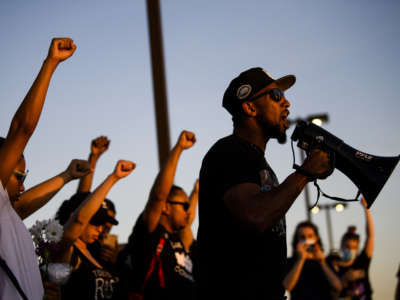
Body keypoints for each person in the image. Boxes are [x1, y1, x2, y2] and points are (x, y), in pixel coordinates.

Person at [197, 67, 331, 300]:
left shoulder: (258, 162)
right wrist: (305, 172)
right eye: (276, 95)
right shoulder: (228, 152)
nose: (286, 103)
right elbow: (256, 215)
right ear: (249, 107)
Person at [0, 37, 78, 300]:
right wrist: (51, 64)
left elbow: (22, 204)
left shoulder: (8, 215)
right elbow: (22, 129)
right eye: (19, 176)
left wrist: (67, 176)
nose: (23, 185)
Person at [118, 130, 197, 300]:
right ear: (166, 208)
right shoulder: (151, 232)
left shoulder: (177, 241)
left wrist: (196, 193)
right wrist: (179, 149)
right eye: (184, 205)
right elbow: (158, 196)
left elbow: (188, 220)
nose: (188, 210)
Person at [55, 160, 135, 300]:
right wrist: (113, 178)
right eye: (95, 222)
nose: (100, 228)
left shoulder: (97, 251)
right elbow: (78, 221)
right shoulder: (66, 249)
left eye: (103, 223)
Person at [283, 221, 342, 299]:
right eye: (302, 237)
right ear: (297, 240)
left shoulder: (326, 261)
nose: (306, 240)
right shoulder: (291, 262)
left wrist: (322, 263)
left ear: (316, 238)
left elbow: (338, 287)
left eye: (310, 236)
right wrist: (301, 259)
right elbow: (287, 286)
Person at [337, 197, 374, 300]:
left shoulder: (362, 261)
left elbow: (370, 236)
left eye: (354, 247)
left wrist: (366, 209)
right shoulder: (334, 265)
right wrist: (344, 279)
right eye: (347, 246)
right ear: (341, 246)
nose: (350, 250)